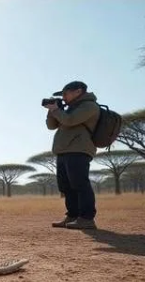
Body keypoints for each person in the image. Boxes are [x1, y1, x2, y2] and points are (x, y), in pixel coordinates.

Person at [45, 80, 100, 230]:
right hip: (64, 150)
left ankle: (87, 218)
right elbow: (51, 126)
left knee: (79, 183)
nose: (63, 97)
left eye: (65, 94)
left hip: (79, 149)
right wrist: (52, 111)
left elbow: (70, 121)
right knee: (66, 186)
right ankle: (72, 216)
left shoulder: (89, 106)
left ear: (78, 91)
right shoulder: (68, 108)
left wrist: (57, 110)